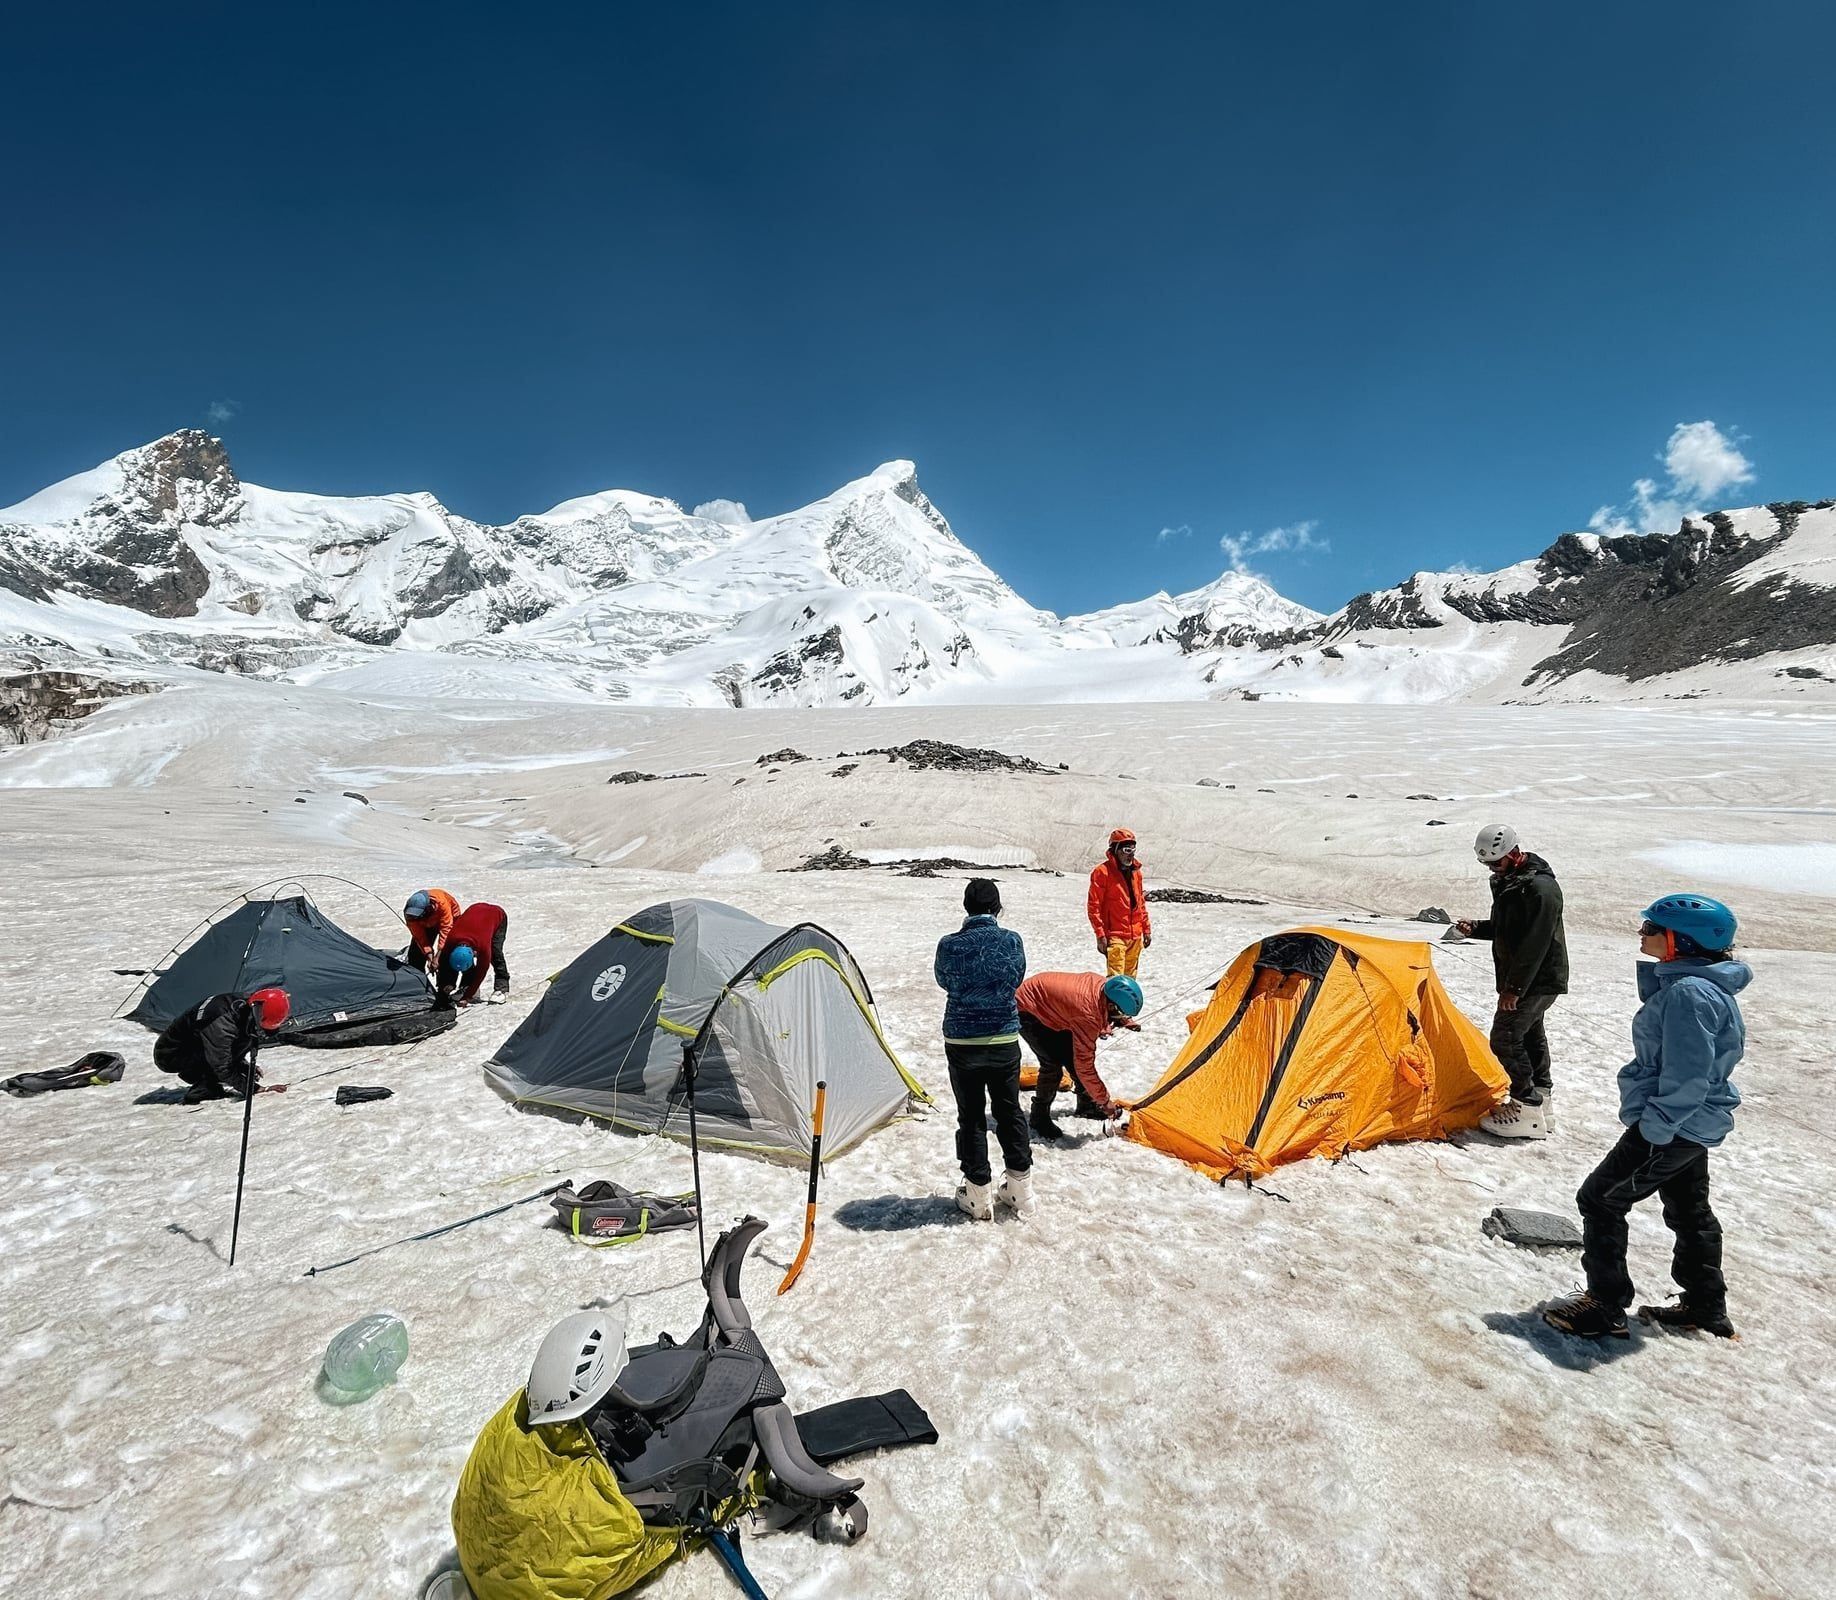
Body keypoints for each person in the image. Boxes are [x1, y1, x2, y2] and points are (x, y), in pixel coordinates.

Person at [1543, 894, 1748, 1341]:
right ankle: (1705, 1306)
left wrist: (1652, 1129)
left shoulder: (1690, 993)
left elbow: (1688, 1076)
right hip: (1692, 1125)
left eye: (1652, 929)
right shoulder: (1698, 987)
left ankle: (1605, 1306)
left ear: (1682, 941)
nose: (1642, 934)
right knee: (1689, 1209)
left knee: (1599, 1199)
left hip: (1671, 1125)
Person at [1455, 823, 1568, 1139]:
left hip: (1536, 979)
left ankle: (1526, 1108)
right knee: (1529, 1034)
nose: (1492, 869)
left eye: (1496, 862)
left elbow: (1535, 943)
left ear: (1514, 853)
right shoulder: (1515, 882)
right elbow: (1511, 929)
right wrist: (1477, 928)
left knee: (1504, 1036)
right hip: (1533, 979)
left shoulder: (1540, 889)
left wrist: (1513, 989)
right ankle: (1541, 1104)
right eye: (1487, 864)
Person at [934, 878, 1031, 1220]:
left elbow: (944, 980)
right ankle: (1020, 1187)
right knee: (1009, 1111)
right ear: (997, 907)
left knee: (972, 1116)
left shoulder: (949, 945)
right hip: (1004, 1038)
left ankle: (977, 1193)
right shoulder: (1012, 941)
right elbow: (1017, 977)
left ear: (966, 907)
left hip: (962, 1041)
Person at [1017, 971, 1141, 1140]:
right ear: (1112, 1006)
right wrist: (1105, 1102)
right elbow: (1085, 1066)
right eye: (1121, 1015)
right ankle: (1039, 1117)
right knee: (1052, 1064)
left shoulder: (1104, 988)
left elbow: (1104, 1009)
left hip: (1054, 1007)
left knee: (1071, 1057)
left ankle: (1086, 1105)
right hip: (1028, 1009)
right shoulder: (1087, 1014)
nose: (1120, 1018)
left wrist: (1122, 1020)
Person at [154, 987, 290, 1102]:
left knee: (245, 1034)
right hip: (170, 1055)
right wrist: (255, 1089)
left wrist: (242, 1065)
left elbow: (227, 1045)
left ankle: (204, 1075)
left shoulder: (247, 1004)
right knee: (235, 1046)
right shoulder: (221, 1023)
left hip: (192, 1045)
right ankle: (203, 1085)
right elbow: (222, 1065)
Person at [1088, 828, 1152, 978]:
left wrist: (1146, 929)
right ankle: (1113, 1002)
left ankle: (1127, 1003)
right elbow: (1094, 906)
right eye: (1126, 849)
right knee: (1117, 980)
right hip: (1115, 935)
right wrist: (1100, 934)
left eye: (1133, 849)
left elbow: (1140, 904)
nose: (1131, 853)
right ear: (1115, 850)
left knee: (1130, 980)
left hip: (1135, 936)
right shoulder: (1102, 873)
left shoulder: (1136, 873)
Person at [437, 902, 511, 1006]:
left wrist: (467, 997)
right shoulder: (451, 941)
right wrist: (446, 985)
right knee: (456, 963)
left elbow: (481, 971)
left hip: (497, 914)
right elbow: (444, 963)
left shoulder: (483, 946)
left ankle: (502, 989)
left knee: (495, 954)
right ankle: (466, 986)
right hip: (475, 909)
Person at [403, 888, 460, 974]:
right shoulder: (410, 915)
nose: (415, 918)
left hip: (450, 918)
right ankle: (418, 979)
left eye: (418, 916)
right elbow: (420, 937)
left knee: (447, 952)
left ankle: (446, 983)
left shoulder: (442, 903)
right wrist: (429, 955)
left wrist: (437, 956)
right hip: (428, 923)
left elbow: (446, 930)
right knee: (415, 953)